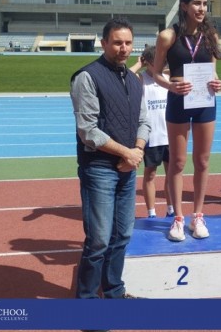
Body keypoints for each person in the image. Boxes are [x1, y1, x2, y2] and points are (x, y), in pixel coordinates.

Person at [70, 17, 151, 300]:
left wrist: (137, 151)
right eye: (117, 42)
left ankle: (114, 292)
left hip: (128, 168)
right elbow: (88, 132)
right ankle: (88, 301)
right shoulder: (87, 77)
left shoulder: (134, 80)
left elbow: (144, 121)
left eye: (128, 43)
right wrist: (126, 153)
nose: (123, 48)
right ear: (103, 43)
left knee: (122, 236)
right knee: (99, 240)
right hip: (99, 169)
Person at [151, 0, 221, 241]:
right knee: (178, 162)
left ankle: (198, 215)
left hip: (205, 100)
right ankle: (178, 218)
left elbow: (213, 72)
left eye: (204, 3)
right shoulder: (168, 37)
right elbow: (155, 73)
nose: (201, 8)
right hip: (178, 101)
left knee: (202, 161)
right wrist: (171, 84)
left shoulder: (210, 36)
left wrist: (217, 83)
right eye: (196, 3)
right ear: (184, 6)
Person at [129, 45, 174, 218]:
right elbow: (125, 76)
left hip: (169, 135)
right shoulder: (141, 80)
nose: (161, 65)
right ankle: (151, 212)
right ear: (148, 62)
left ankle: (171, 209)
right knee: (150, 175)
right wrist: (139, 63)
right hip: (151, 137)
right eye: (157, 62)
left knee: (171, 175)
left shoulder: (168, 77)